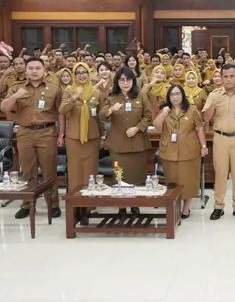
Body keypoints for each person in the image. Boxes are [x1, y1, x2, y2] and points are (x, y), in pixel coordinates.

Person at [1, 57, 63, 219]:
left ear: (44, 70)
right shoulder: (17, 87)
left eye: (37, 68)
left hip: (47, 132)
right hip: (25, 133)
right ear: (26, 70)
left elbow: (61, 113)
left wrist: (61, 134)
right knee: (27, 170)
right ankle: (27, 204)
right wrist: (16, 96)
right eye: (31, 68)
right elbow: (4, 107)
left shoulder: (54, 88)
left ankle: (53, 204)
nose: (34, 71)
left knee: (49, 171)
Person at [202, 64, 235, 221]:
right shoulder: (214, 94)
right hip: (220, 138)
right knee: (220, 173)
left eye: (232, 76)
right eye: (225, 76)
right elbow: (206, 118)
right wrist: (213, 103)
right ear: (221, 78)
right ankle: (218, 206)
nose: (229, 79)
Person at [99, 67, 152, 215]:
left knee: (136, 175)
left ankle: (135, 204)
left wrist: (138, 128)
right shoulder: (112, 97)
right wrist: (111, 110)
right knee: (119, 175)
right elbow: (102, 115)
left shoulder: (141, 96)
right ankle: (121, 206)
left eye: (128, 79)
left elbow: (148, 116)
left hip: (138, 142)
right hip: (118, 144)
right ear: (117, 82)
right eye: (122, 80)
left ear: (133, 81)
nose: (125, 83)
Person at [153, 85, 207, 219]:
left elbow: (199, 128)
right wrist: (163, 114)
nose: (175, 97)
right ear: (168, 97)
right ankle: (173, 205)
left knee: (188, 180)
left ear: (183, 95)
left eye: (178, 94)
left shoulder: (192, 109)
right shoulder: (165, 110)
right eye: (172, 94)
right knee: (172, 180)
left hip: (189, 151)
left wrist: (203, 146)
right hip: (169, 151)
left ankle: (186, 207)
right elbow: (157, 127)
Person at [59, 62, 103, 224]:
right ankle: (76, 206)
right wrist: (74, 97)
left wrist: (103, 136)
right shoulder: (68, 91)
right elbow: (62, 111)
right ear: (74, 75)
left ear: (89, 74)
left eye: (84, 72)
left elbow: (99, 117)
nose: (82, 75)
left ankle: (87, 207)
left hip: (92, 137)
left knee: (90, 172)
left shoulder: (96, 93)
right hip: (74, 138)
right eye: (78, 73)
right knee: (75, 172)